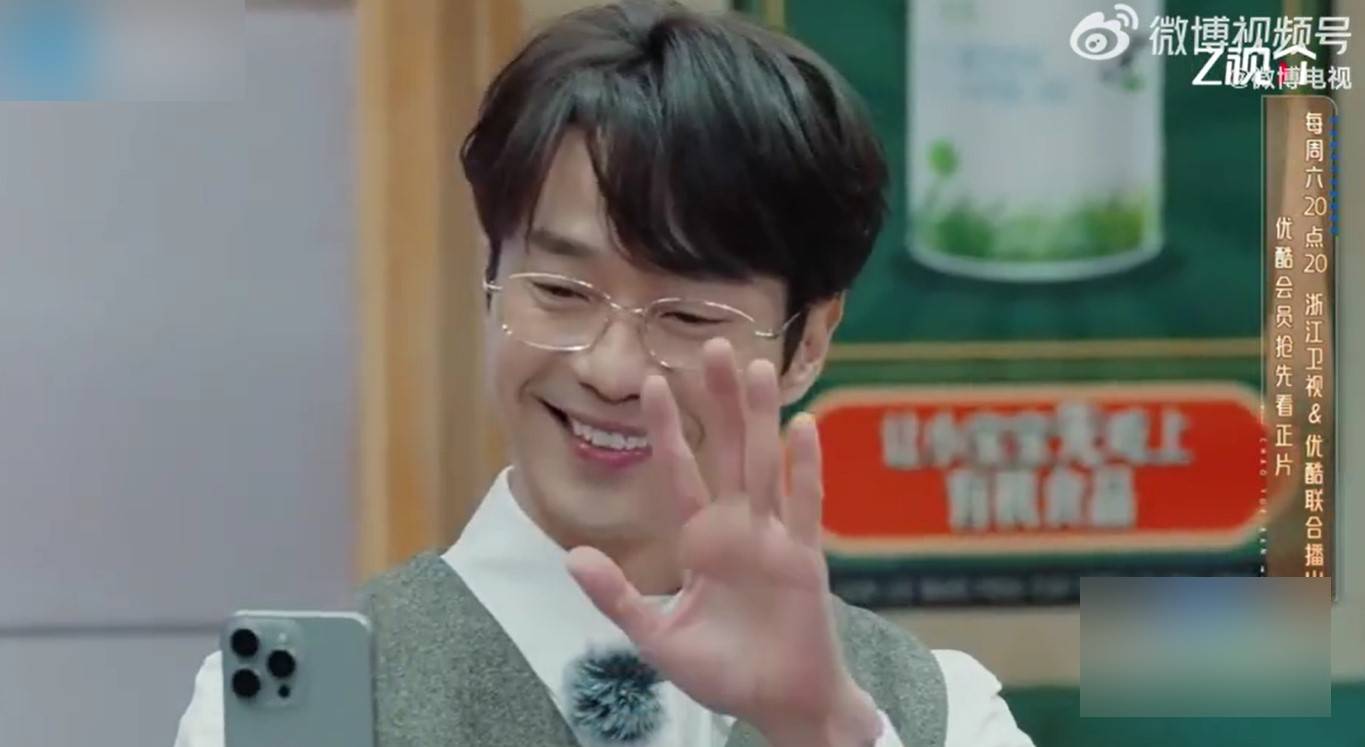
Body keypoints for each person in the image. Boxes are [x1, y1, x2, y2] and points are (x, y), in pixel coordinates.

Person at [174, 2, 1035, 745]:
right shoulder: (300, 706)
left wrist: (825, 730)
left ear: (808, 340)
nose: (610, 369)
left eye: (688, 315)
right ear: (489, 277)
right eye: (558, 290)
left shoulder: (937, 710)